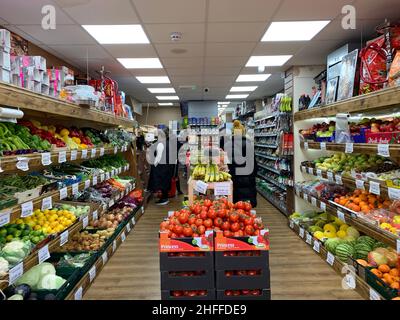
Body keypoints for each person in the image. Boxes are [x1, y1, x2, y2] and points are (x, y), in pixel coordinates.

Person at [221, 120, 257, 207]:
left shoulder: (227, 144)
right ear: (243, 132)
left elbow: (225, 165)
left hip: (233, 180)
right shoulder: (248, 144)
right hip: (247, 181)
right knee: (246, 208)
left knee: (234, 206)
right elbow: (254, 166)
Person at [147, 127, 175, 205]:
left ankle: (164, 199)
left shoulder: (161, 143)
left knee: (161, 182)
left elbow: (158, 157)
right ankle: (164, 197)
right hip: (168, 166)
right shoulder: (168, 143)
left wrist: (154, 165)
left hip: (162, 167)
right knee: (165, 182)